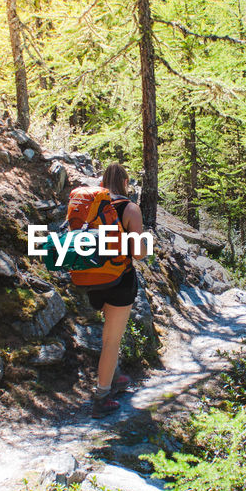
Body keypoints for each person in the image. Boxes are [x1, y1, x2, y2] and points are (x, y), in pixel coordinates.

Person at [86, 163, 148, 418]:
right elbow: (139, 254)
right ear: (125, 182)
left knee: (107, 335)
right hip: (118, 281)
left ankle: (115, 376)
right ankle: (101, 396)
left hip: (91, 280)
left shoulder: (93, 205)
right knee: (112, 340)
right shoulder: (130, 208)